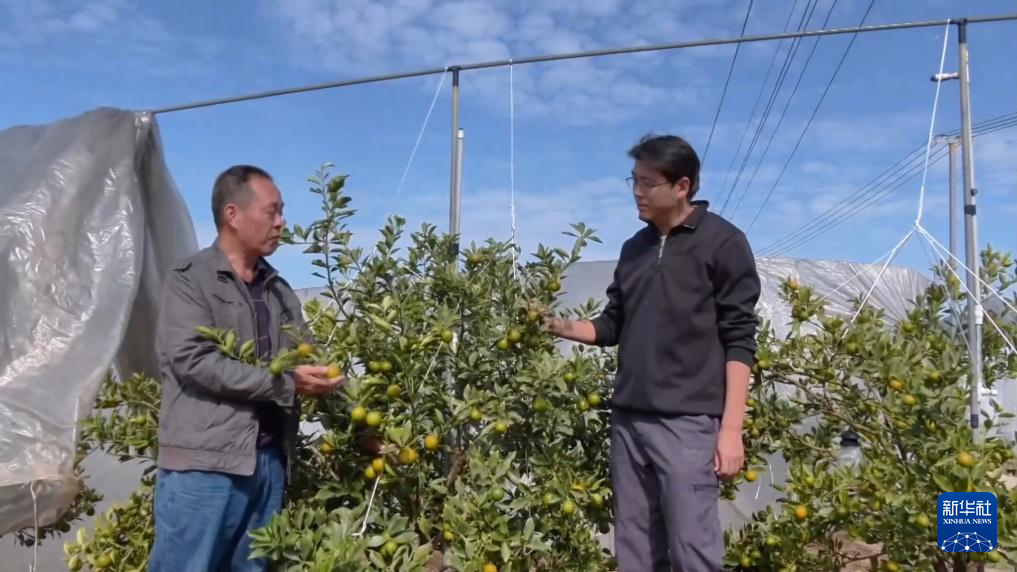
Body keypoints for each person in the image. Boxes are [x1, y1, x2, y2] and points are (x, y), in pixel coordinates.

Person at [545, 135, 761, 571]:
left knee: (693, 550)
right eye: (634, 181)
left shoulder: (723, 243)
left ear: (682, 186)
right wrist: (556, 325)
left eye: (648, 183)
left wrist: (731, 429)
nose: (638, 192)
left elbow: (739, 338)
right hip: (629, 421)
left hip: (688, 423)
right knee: (635, 550)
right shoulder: (634, 249)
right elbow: (612, 326)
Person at [148, 165, 345, 571]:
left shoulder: (278, 290)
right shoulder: (190, 281)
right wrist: (286, 383)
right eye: (272, 211)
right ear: (232, 215)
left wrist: (359, 423)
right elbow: (194, 362)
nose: (281, 222)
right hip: (204, 468)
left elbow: (311, 358)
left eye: (281, 212)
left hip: (267, 465)